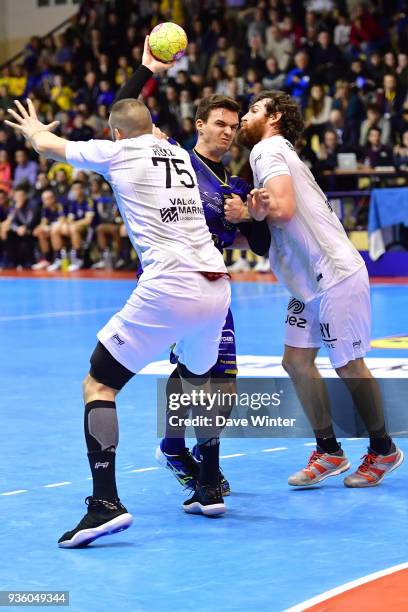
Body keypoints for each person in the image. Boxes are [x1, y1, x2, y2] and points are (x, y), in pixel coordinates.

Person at [6, 93, 231, 547]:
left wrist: (31, 128)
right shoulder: (178, 152)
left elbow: (48, 146)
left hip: (170, 285)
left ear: (115, 132)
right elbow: (149, 136)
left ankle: (105, 504)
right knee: (198, 381)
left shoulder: (118, 150)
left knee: (99, 384)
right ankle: (208, 485)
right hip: (217, 286)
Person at [118, 37, 270, 495]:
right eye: (218, 123)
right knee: (198, 374)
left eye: (232, 125)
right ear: (199, 125)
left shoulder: (239, 182)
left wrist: (249, 216)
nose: (226, 132)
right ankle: (188, 459)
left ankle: (185, 448)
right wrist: (148, 70)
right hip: (171, 282)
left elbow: (262, 245)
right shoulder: (175, 159)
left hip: (214, 287)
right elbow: (124, 111)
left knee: (217, 379)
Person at [238, 90, 403, 489]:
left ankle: (383, 450)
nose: (245, 117)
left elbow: (284, 209)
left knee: (348, 365)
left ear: (273, 118)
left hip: (333, 276)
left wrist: (248, 211)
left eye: (253, 111)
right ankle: (328, 450)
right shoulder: (270, 154)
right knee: (295, 362)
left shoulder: (268, 149)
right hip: (307, 284)